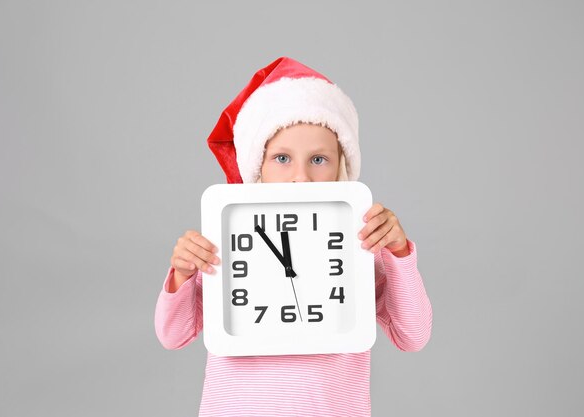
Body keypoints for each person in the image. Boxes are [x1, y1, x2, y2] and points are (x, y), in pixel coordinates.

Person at [154, 57, 433, 417]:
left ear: (341, 168)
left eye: (318, 159)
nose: (300, 176)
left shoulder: (360, 243)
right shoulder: (227, 238)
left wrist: (398, 253)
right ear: (257, 168)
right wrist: (183, 274)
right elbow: (172, 335)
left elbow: (413, 336)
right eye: (282, 158)